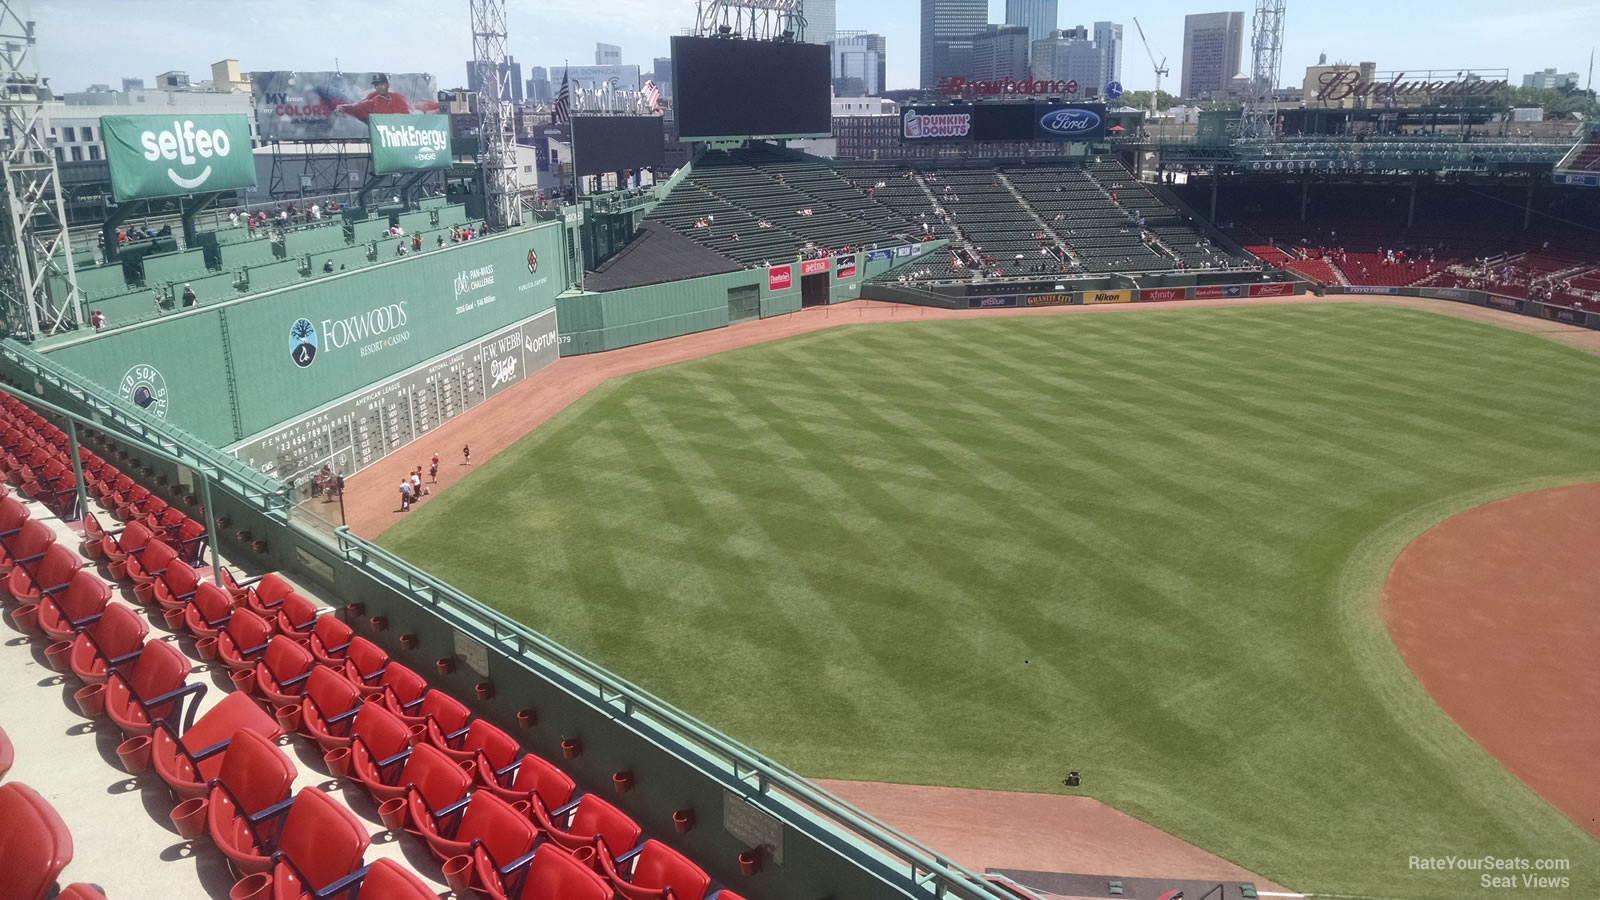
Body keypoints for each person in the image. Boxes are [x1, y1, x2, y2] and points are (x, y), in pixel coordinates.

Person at [335, 73, 413, 122]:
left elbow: (409, 117)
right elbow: (355, 107)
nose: (379, 87)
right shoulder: (372, 102)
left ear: (387, 85)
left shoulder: (398, 98)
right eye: (376, 85)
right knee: (352, 94)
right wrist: (342, 107)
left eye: (381, 84)